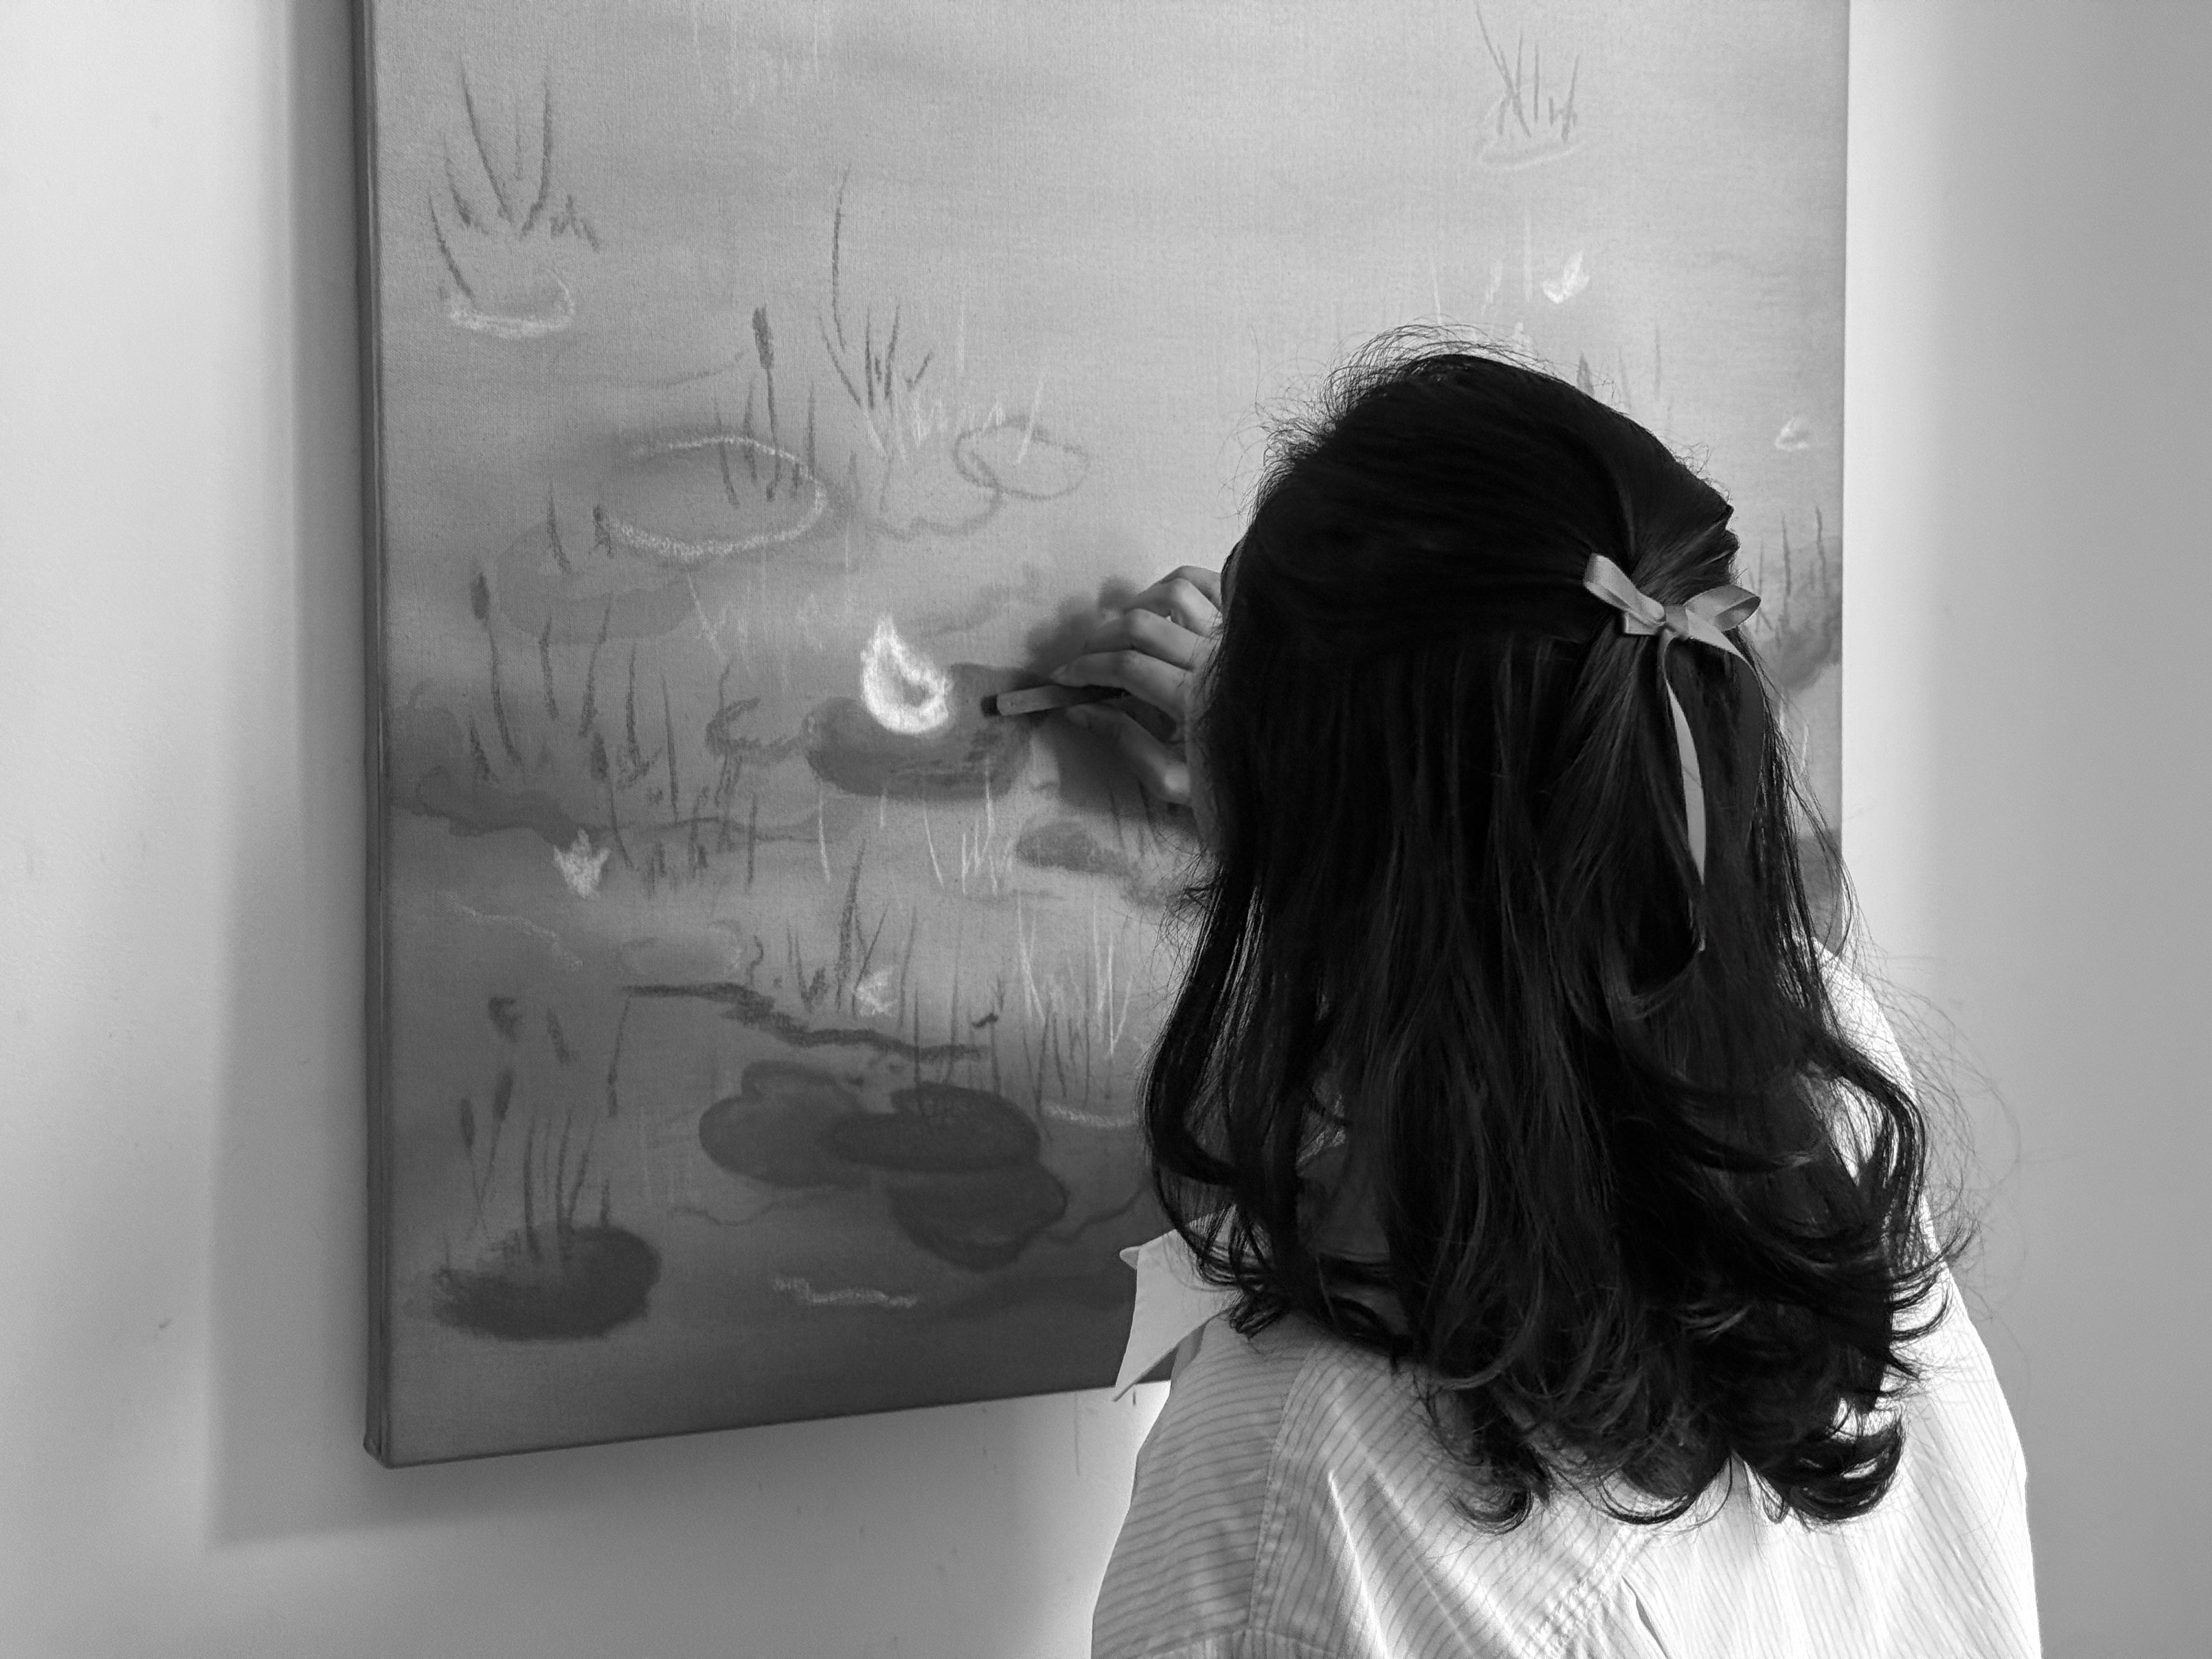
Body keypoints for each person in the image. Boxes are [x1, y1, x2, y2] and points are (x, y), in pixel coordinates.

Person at [1049, 340, 2039, 1658]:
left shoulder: (1302, 1474)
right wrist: (1314, 799)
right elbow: (1541, 923)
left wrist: (1305, 814)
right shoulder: (1825, 1092)